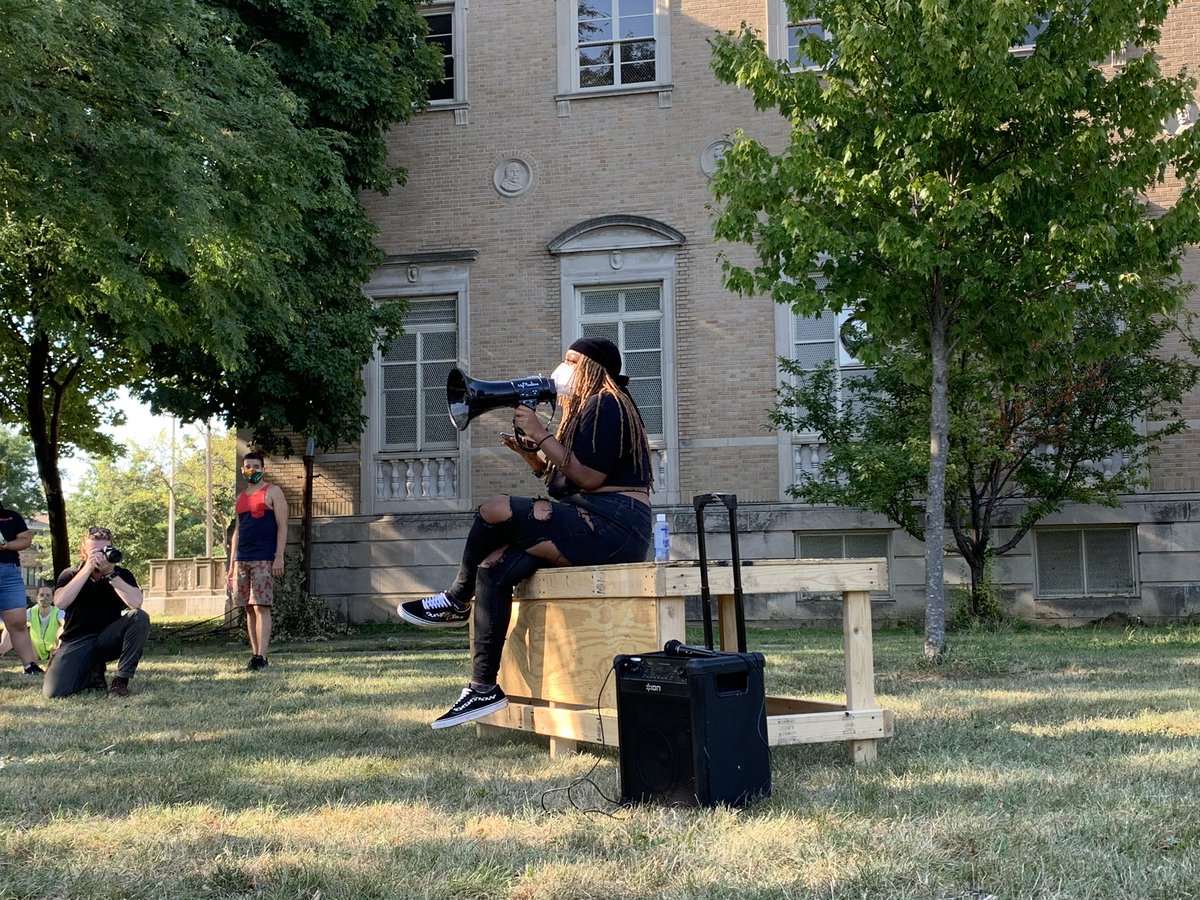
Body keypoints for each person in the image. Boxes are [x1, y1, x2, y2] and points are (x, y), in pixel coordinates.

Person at [399, 337, 654, 729]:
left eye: (572, 360)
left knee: (494, 509)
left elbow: (590, 476)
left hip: (616, 524)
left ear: (593, 368)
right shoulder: (587, 409)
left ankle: (455, 600)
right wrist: (534, 457)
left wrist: (541, 432)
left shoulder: (608, 403)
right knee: (494, 567)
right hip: (594, 517)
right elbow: (563, 484)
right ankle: (482, 687)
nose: (562, 368)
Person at [45, 526, 150, 699]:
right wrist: (86, 570)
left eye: (104, 550)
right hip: (77, 640)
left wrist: (110, 573)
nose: (100, 556)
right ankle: (92, 671)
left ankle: (121, 681)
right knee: (54, 692)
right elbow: (61, 603)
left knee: (139, 617)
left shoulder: (121, 574)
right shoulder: (70, 574)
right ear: (83, 552)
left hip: (108, 639)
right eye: (94, 551)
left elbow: (136, 603)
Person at [227, 450, 288, 671]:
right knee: (248, 608)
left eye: (256, 466)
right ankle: (254, 655)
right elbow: (238, 532)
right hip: (242, 559)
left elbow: (282, 526)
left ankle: (263, 655)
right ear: (242, 470)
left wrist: (278, 557)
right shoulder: (240, 498)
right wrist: (232, 565)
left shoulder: (273, 492)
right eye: (247, 466)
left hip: (264, 558)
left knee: (261, 606)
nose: (251, 470)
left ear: (263, 469)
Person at [0, 499, 44, 676]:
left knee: (18, 622)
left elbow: (25, 539)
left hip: (10, 573)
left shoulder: (11, 516)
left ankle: (30, 666)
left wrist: (7, 545)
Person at [0, 582, 65, 663]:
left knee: (63, 628)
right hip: (35, 647)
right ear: (36, 598)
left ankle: (58, 653)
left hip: (54, 646)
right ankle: (2, 650)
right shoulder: (31, 612)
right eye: (41, 595)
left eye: (48, 595)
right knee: (15, 625)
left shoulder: (58, 612)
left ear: (52, 599)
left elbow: (64, 624)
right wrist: (3, 645)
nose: (44, 597)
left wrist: (60, 643)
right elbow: (13, 624)